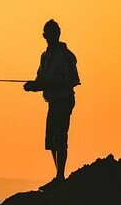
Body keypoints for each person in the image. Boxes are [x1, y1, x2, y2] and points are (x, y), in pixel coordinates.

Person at [24, 19, 80, 191]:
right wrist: (33, 86)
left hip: (64, 100)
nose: (52, 36)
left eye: (55, 32)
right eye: (49, 33)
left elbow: (72, 80)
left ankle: (60, 177)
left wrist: (45, 85)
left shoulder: (66, 55)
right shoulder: (44, 56)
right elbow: (40, 79)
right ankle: (58, 176)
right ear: (44, 36)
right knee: (52, 141)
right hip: (52, 102)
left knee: (61, 138)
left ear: (58, 34)